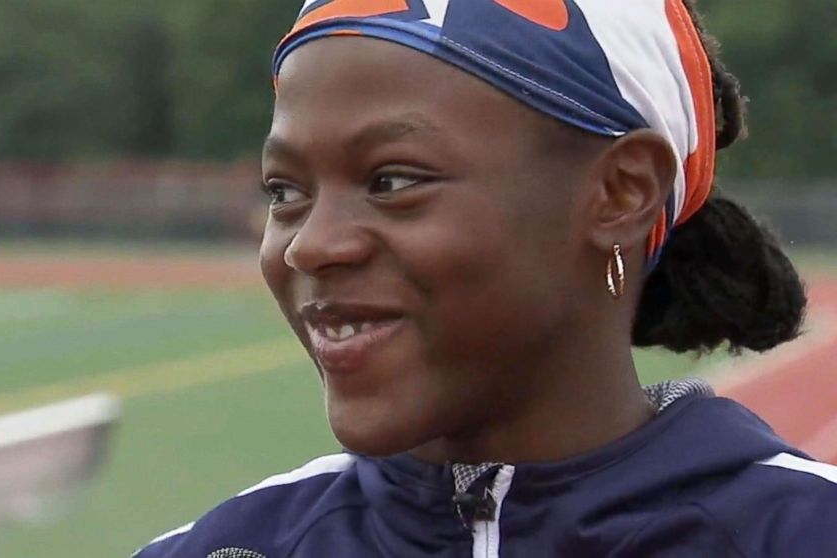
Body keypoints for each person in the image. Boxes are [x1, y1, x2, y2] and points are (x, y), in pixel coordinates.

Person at [135, 1, 837, 556]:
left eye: (392, 180)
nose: (310, 247)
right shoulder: (227, 548)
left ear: (622, 192)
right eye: (284, 191)